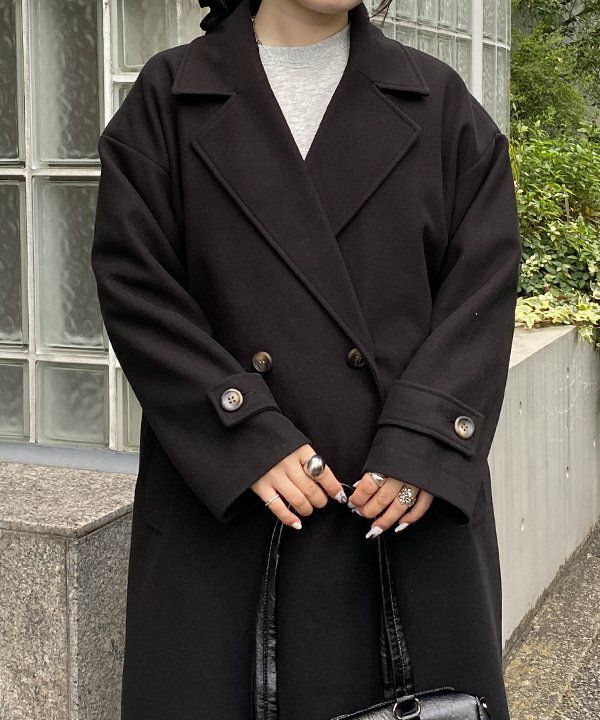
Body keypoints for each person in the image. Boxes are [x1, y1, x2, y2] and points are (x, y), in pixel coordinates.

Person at [91, 0, 522, 718]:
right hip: (226, 518)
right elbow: (136, 286)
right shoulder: (169, 99)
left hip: (399, 517)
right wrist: (241, 429)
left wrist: (425, 440)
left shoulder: (441, 103)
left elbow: (485, 284)